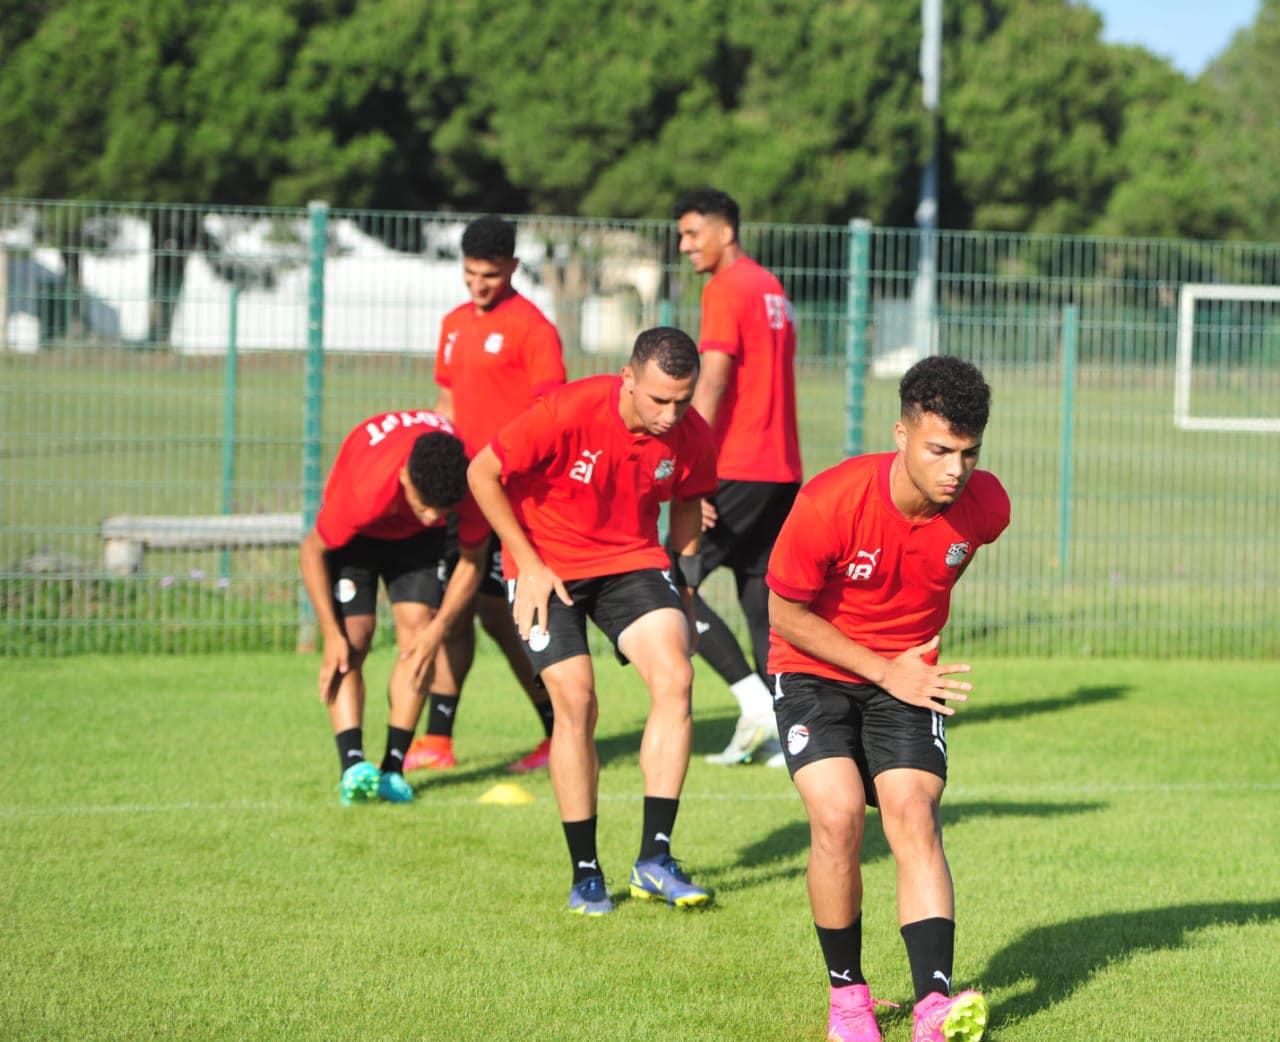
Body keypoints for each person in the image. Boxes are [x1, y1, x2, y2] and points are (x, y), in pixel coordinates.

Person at [765, 356, 1008, 1042]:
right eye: (939, 450)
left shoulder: (987, 507)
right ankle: (849, 1003)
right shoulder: (830, 502)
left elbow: (936, 571)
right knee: (838, 815)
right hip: (812, 668)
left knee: (914, 813)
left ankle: (933, 1006)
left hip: (908, 674)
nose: (956, 470)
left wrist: (906, 660)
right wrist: (882, 668)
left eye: (968, 453)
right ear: (900, 434)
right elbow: (783, 614)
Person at [467, 327, 717, 916]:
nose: (670, 414)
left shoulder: (692, 434)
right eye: (659, 399)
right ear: (628, 378)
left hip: (630, 562)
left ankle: (655, 860)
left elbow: (688, 504)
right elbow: (482, 473)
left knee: (676, 677)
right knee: (577, 701)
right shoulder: (565, 411)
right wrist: (526, 563)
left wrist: (686, 593)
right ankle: (586, 873)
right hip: (545, 565)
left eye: (682, 400)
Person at [409, 213, 568, 775]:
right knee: (457, 611)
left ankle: (559, 733)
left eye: (491, 275)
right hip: (462, 496)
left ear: (514, 267)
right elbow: (447, 405)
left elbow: (552, 417)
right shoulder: (453, 324)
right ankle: (438, 739)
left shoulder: (533, 329)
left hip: (513, 500)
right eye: (471, 273)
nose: (479, 284)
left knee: (507, 619)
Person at [298, 409, 489, 805]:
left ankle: (393, 769)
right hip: (361, 536)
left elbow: (472, 560)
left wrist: (437, 632)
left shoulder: (466, 483)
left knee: (419, 633)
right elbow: (311, 551)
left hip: (417, 544)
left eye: (442, 508)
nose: (433, 515)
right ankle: (353, 768)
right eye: (425, 504)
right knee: (353, 640)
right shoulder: (365, 491)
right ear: (405, 477)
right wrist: (330, 634)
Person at [673, 187, 803, 767]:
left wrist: (692, 471)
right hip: (781, 468)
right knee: (760, 600)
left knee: (671, 580)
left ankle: (756, 705)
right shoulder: (771, 286)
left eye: (693, 233)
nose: (685, 245)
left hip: (738, 465)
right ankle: (788, 734)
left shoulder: (725, 287)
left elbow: (714, 380)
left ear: (725, 231)